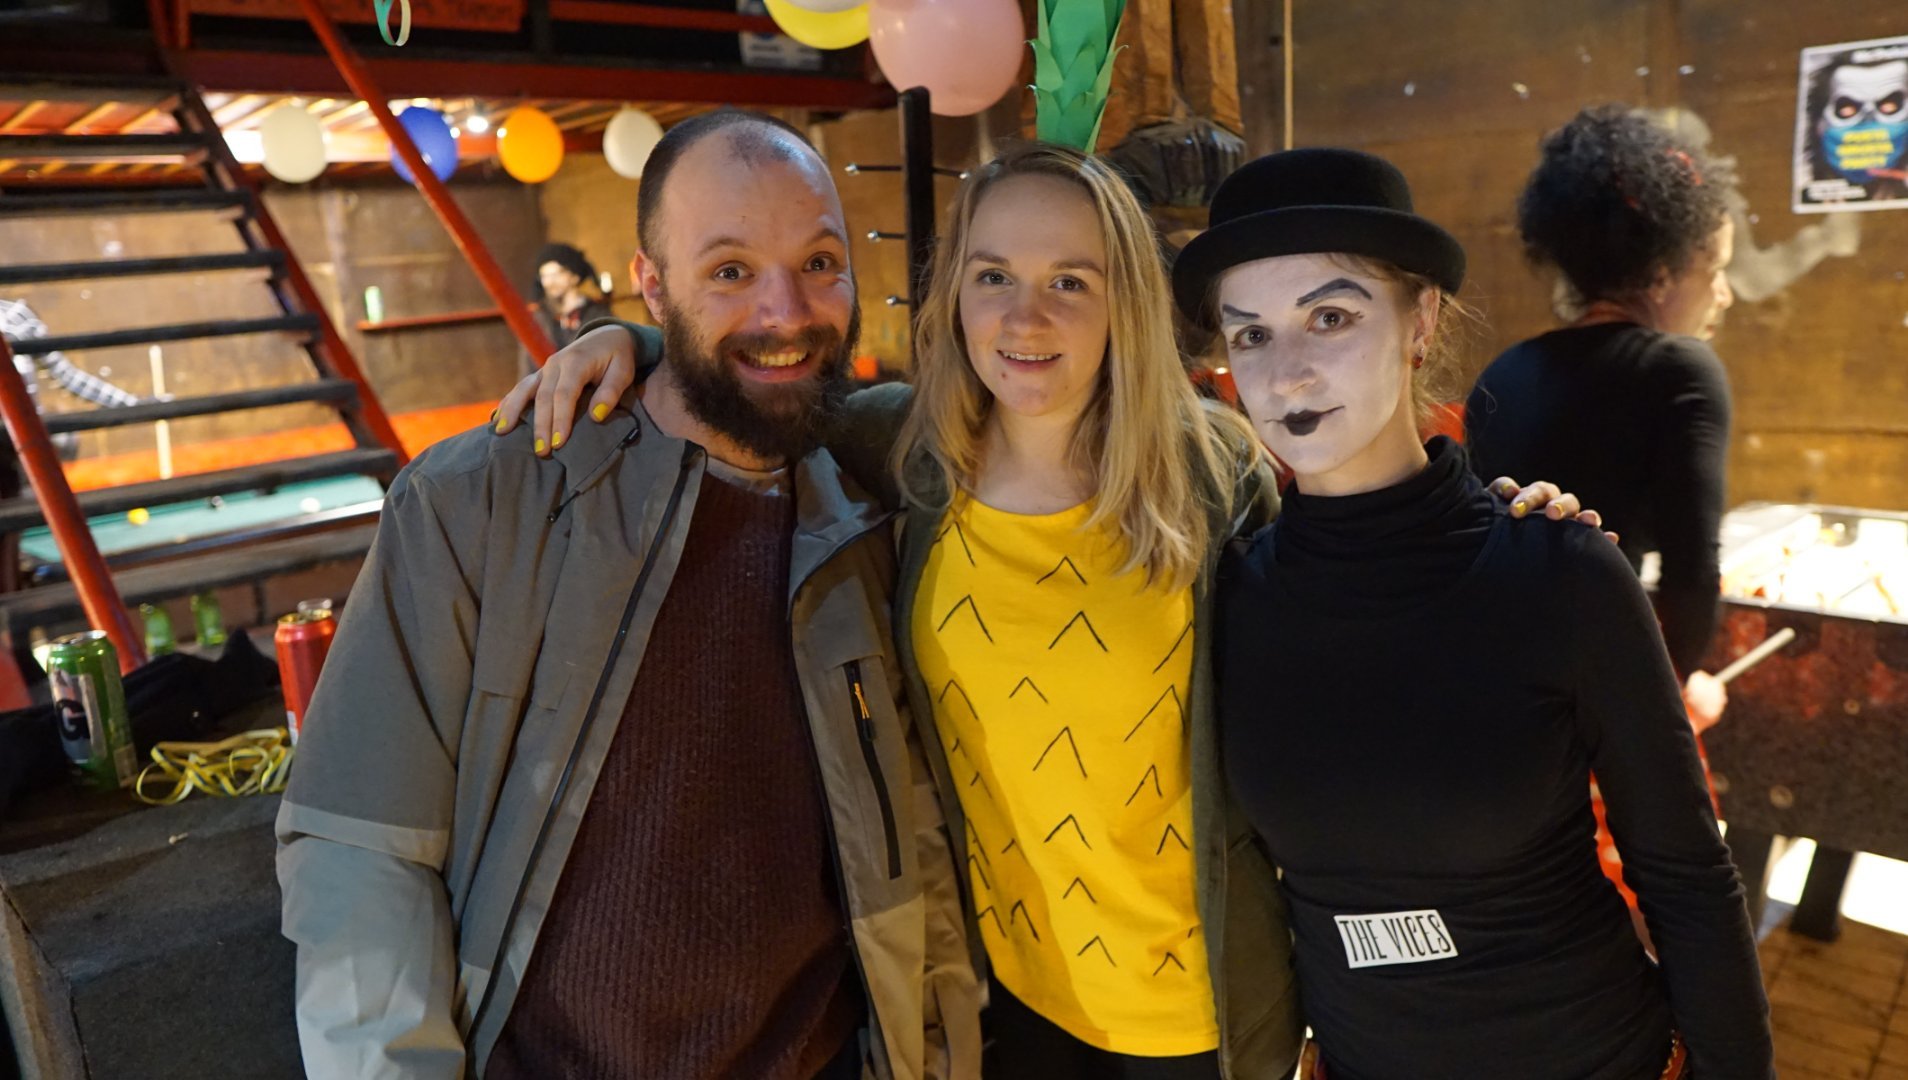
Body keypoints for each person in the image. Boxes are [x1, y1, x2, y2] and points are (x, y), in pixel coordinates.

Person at [494, 143, 1591, 1079]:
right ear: (953, 294)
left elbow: (1352, 591)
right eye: (994, 276)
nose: (1027, 316)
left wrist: (1491, 530)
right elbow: (756, 380)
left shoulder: (1211, 469)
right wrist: (636, 340)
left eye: (1072, 280)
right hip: (1006, 1005)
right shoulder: (905, 451)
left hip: (1209, 1015)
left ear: (1125, 301)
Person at [277, 109, 980, 1080]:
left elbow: (908, 851)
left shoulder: (865, 513)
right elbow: (361, 851)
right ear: (652, 284)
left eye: (819, 263)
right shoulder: (480, 501)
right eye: (729, 271)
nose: (786, 312)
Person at [1176, 146, 1773, 1078]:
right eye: (1251, 334)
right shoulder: (1232, 596)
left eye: (1330, 317)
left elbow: (1689, 878)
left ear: (1420, 322)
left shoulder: (1559, 572)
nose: (1286, 375)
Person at [1466, 106, 1736, 723]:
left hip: (1492, 685)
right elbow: (1692, 573)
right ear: (1662, 270)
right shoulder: (1680, 369)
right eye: (1716, 270)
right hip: (1596, 696)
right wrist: (1678, 687)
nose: (1724, 294)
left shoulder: (1504, 370)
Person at [521, 242, 615, 376]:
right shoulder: (539, 318)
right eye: (544, 276)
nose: (550, 282)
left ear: (574, 276)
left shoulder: (598, 315)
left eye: (556, 274)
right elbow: (527, 368)